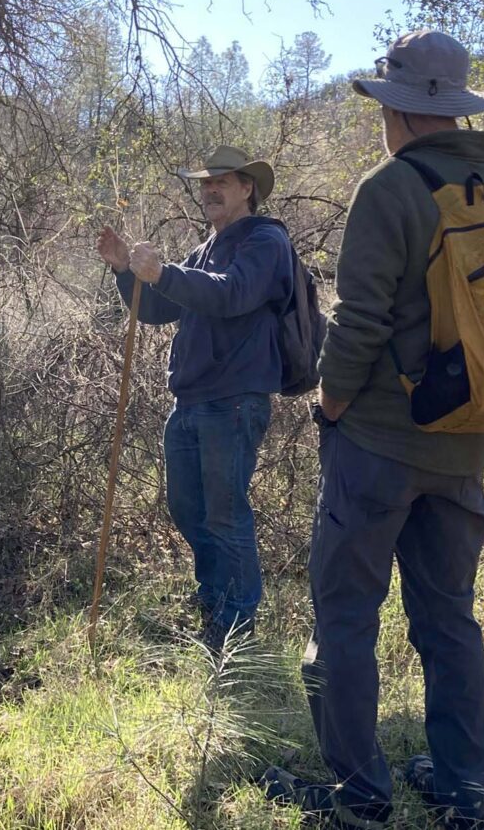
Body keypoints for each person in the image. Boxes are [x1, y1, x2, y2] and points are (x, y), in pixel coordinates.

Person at [265, 31, 484, 830]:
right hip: (467, 446)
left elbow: (358, 323)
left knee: (344, 620)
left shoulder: (388, 189)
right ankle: (467, 793)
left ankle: (359, 797)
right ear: (458, 106)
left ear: (397, 109)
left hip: (374, 447)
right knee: (449, 619)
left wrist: (327, 404)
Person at [96, 146, 293, 650]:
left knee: (226, 513)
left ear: (247, 189)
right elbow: (157, 310)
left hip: (233, 401)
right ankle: (215, 600)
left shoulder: (265, 241)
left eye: (221, 182)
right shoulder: (206, 249)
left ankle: (236, 629)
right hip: (190, 401)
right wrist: (126, 272)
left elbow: (231, 293)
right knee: (188, 510)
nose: (209, 191)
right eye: (205, 184)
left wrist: (163, 273)